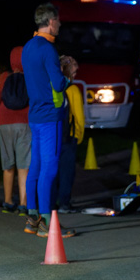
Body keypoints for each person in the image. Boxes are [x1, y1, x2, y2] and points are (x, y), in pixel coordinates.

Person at [22, 3, 76, 238]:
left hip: (34, 115)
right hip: (50, 116)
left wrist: (55, 65)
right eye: (58, 20)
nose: (60, 24)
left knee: (35, 166)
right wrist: (70, 74)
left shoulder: (29, 46)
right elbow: (58, 85)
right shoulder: (48, 49)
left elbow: (40, 76)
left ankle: (32, 217)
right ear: (51, 21)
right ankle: (46, 221)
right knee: (50, 167)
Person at [0, 46, 31, 215]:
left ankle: (7, 201)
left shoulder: (3, 77)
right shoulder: (30, 77)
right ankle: (23, 203)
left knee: (7, 165)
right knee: (24, 166)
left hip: (5, 123)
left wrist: (1, 116)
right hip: (24, 123)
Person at [52, 55, 84, 213]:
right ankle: (64, 203)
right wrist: (79, 136)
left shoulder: (52, 87)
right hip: (68, 137)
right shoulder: (73, 90)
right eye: (74, 71)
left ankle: (51, 203)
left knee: (53, 171)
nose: (76, 75)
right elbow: (78, 117)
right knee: (67, 172)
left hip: (52, 136)